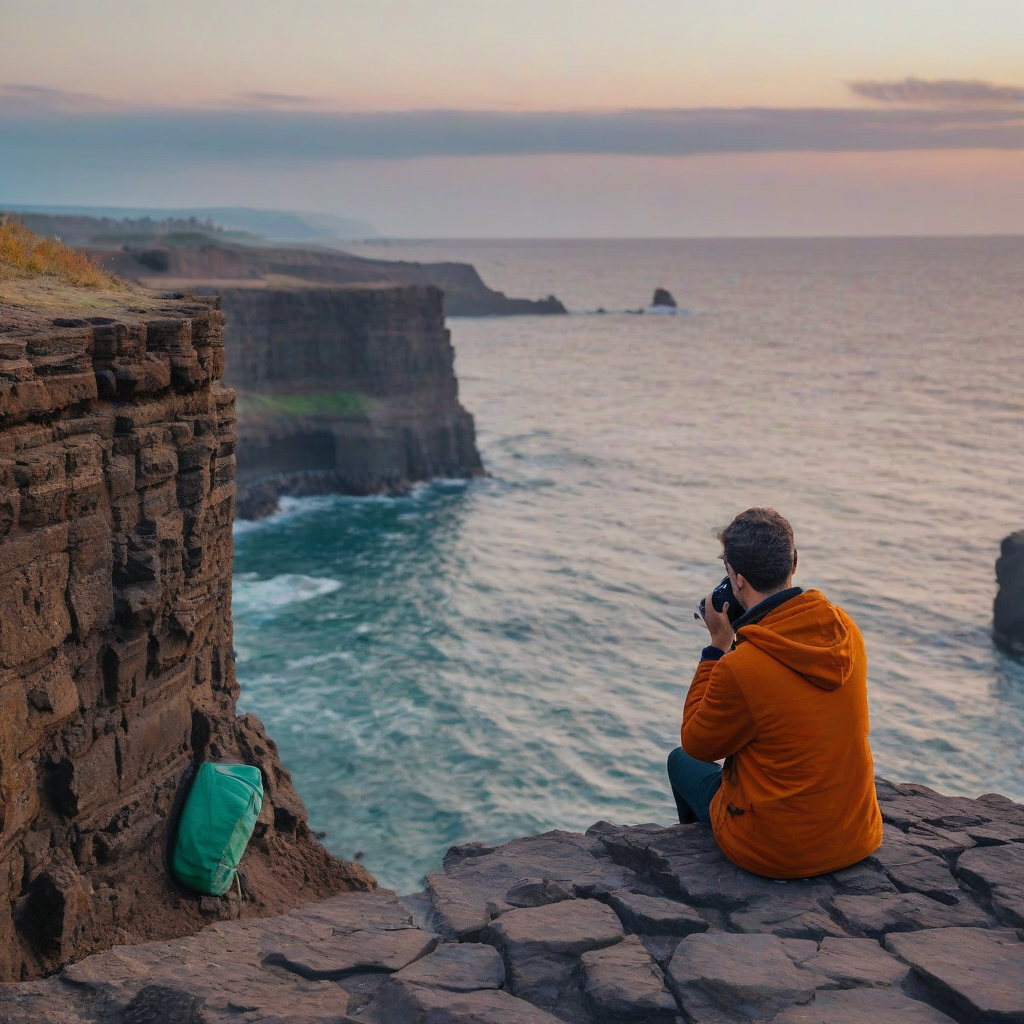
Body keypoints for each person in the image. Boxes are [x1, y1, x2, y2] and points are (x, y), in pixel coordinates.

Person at [668, 507, 882, 878]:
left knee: (680, 761)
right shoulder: (846, 629)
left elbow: (697, 744)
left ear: (736, 580)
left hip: (775, 852)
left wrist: (718, 645)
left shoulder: (741, 667)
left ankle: (702, 862)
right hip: (856, 836)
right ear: (793, 563)